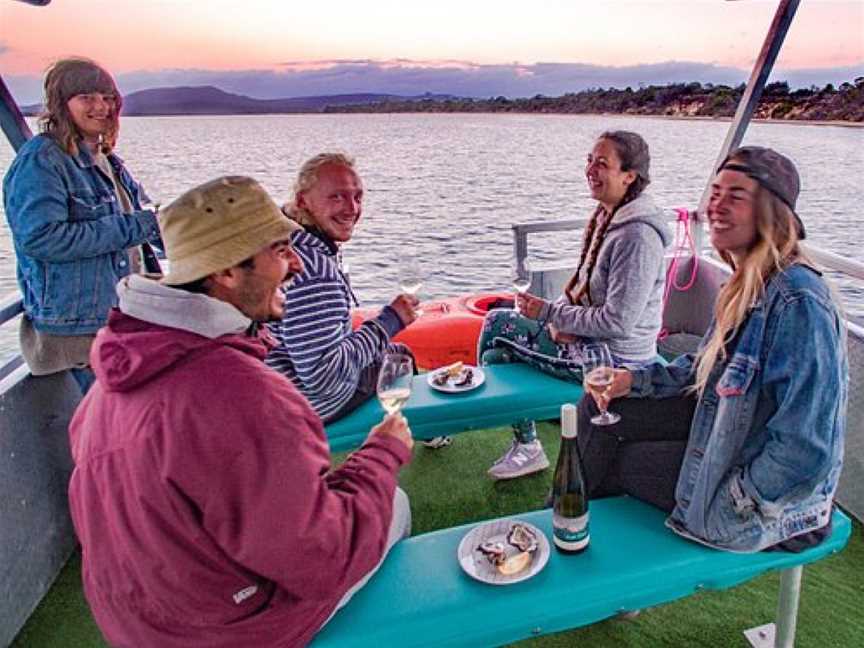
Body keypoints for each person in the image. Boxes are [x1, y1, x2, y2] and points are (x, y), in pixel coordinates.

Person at [67, 176, 414, 646]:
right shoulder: (246, 398)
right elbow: (324, 559)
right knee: (393, 504)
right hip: (227, 631)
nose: (296, 264)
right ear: (227, 272)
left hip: (135, 623)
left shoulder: (110, 379)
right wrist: (382, 454)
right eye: (279, 250)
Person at [578, 147, 847, 552]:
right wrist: (632, 379)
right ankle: (566, 522)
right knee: (598, 408)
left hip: (772, 507)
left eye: (736, 196)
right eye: (715, 192)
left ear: (771, 214)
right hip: (726, 429)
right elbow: (702, 369)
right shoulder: (746, 282)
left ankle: (582, 549)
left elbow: (805, 448)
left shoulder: (799, 301)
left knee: (626, 462)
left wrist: (735, 498)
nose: (716, 205)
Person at [477, 131, 671, 479]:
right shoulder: (608, 216)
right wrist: (562, 322)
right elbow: (582, 290)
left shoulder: (636, 236)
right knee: (496, 355)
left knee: (497, 324)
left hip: (613, 358)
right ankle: (527, 445)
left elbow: (617, 322)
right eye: (589, 160)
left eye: (602, 163)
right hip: (587, 338)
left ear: (630, 176)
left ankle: (524, 445)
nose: (590, 169)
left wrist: (554, 315)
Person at [266, 153, 450, 447]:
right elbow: (324, 377)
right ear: (303, 201)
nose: (352, 208)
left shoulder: (284, 242)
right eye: (336, 197)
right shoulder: (313, 271)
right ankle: (422, 433)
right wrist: (390, 320)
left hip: (277, 391)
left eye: (357, 197)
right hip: (311, 405)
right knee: (399, 355)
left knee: (386, 351)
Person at [3, 57, 161, 394]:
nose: (101, 107)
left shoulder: (105, 158)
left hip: (118, 319)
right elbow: (42, 239)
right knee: (113, 437)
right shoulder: (42, 161)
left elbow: (147, 220)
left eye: (107, 98)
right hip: (78, 333)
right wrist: (136, 226)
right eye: (87, 97)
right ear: (62, 104)